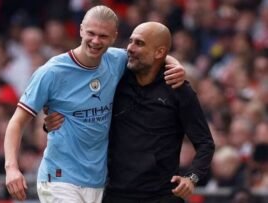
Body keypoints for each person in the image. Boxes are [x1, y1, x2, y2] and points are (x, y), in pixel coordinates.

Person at [4, 5, 185, 203]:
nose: (96, 41)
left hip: (98, 180)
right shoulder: (51, 72)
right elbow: (17, 122)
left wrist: (176, 65)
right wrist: (11, 168)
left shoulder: (116, 60)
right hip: (57, 178)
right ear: (81, 29)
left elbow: (151, 54)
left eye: (103, 36)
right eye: (91, 33)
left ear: (114, 36)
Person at [46, 22, 215, 203]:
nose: (130, 48)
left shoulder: (178, 89)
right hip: (115, 194)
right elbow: (82, 113)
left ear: (159, 52)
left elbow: (205, 143)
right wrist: (53, 122)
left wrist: (192, 178)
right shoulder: (114, 80)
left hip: (162, 196)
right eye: (131, 41)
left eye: (139, 43)